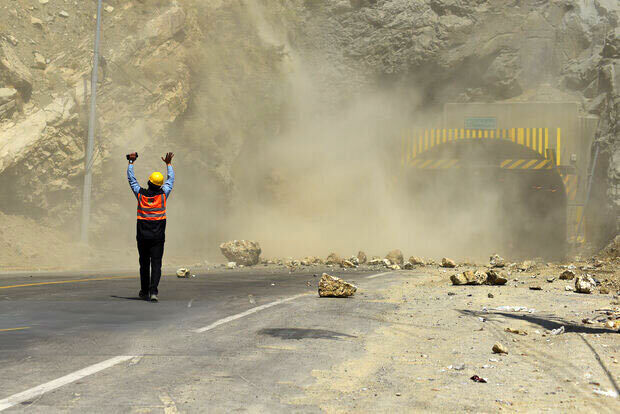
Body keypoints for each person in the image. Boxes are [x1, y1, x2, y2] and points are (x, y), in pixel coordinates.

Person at [127, 152, 175, 302]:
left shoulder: (140, 195)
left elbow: (132, 181)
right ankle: (153, 291)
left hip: (142, 236)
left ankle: (144, 291)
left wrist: (131, 163)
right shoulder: (163, 195)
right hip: (158, 237)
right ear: (160, 185)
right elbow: (171, 180)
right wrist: (168, 165)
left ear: (148, 183)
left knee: (144, 264)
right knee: (156, 264)